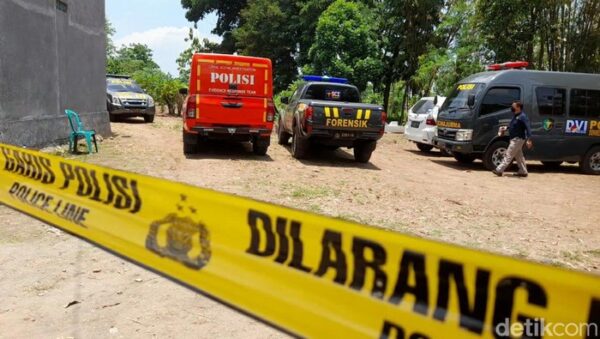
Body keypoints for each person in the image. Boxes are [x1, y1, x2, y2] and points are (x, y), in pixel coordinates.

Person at [493, 101, 533, 177]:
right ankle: (523, 171)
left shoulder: (522, 117)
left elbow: (528, 129)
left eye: (513, 106)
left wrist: (529, 139)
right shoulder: (516, 116)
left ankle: (499, 170)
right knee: (519, 156)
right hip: (515, 139)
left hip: (518, 139)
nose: (512, 107)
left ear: (518, 107)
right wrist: (506, 128)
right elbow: (512, 125)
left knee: (508, 154)